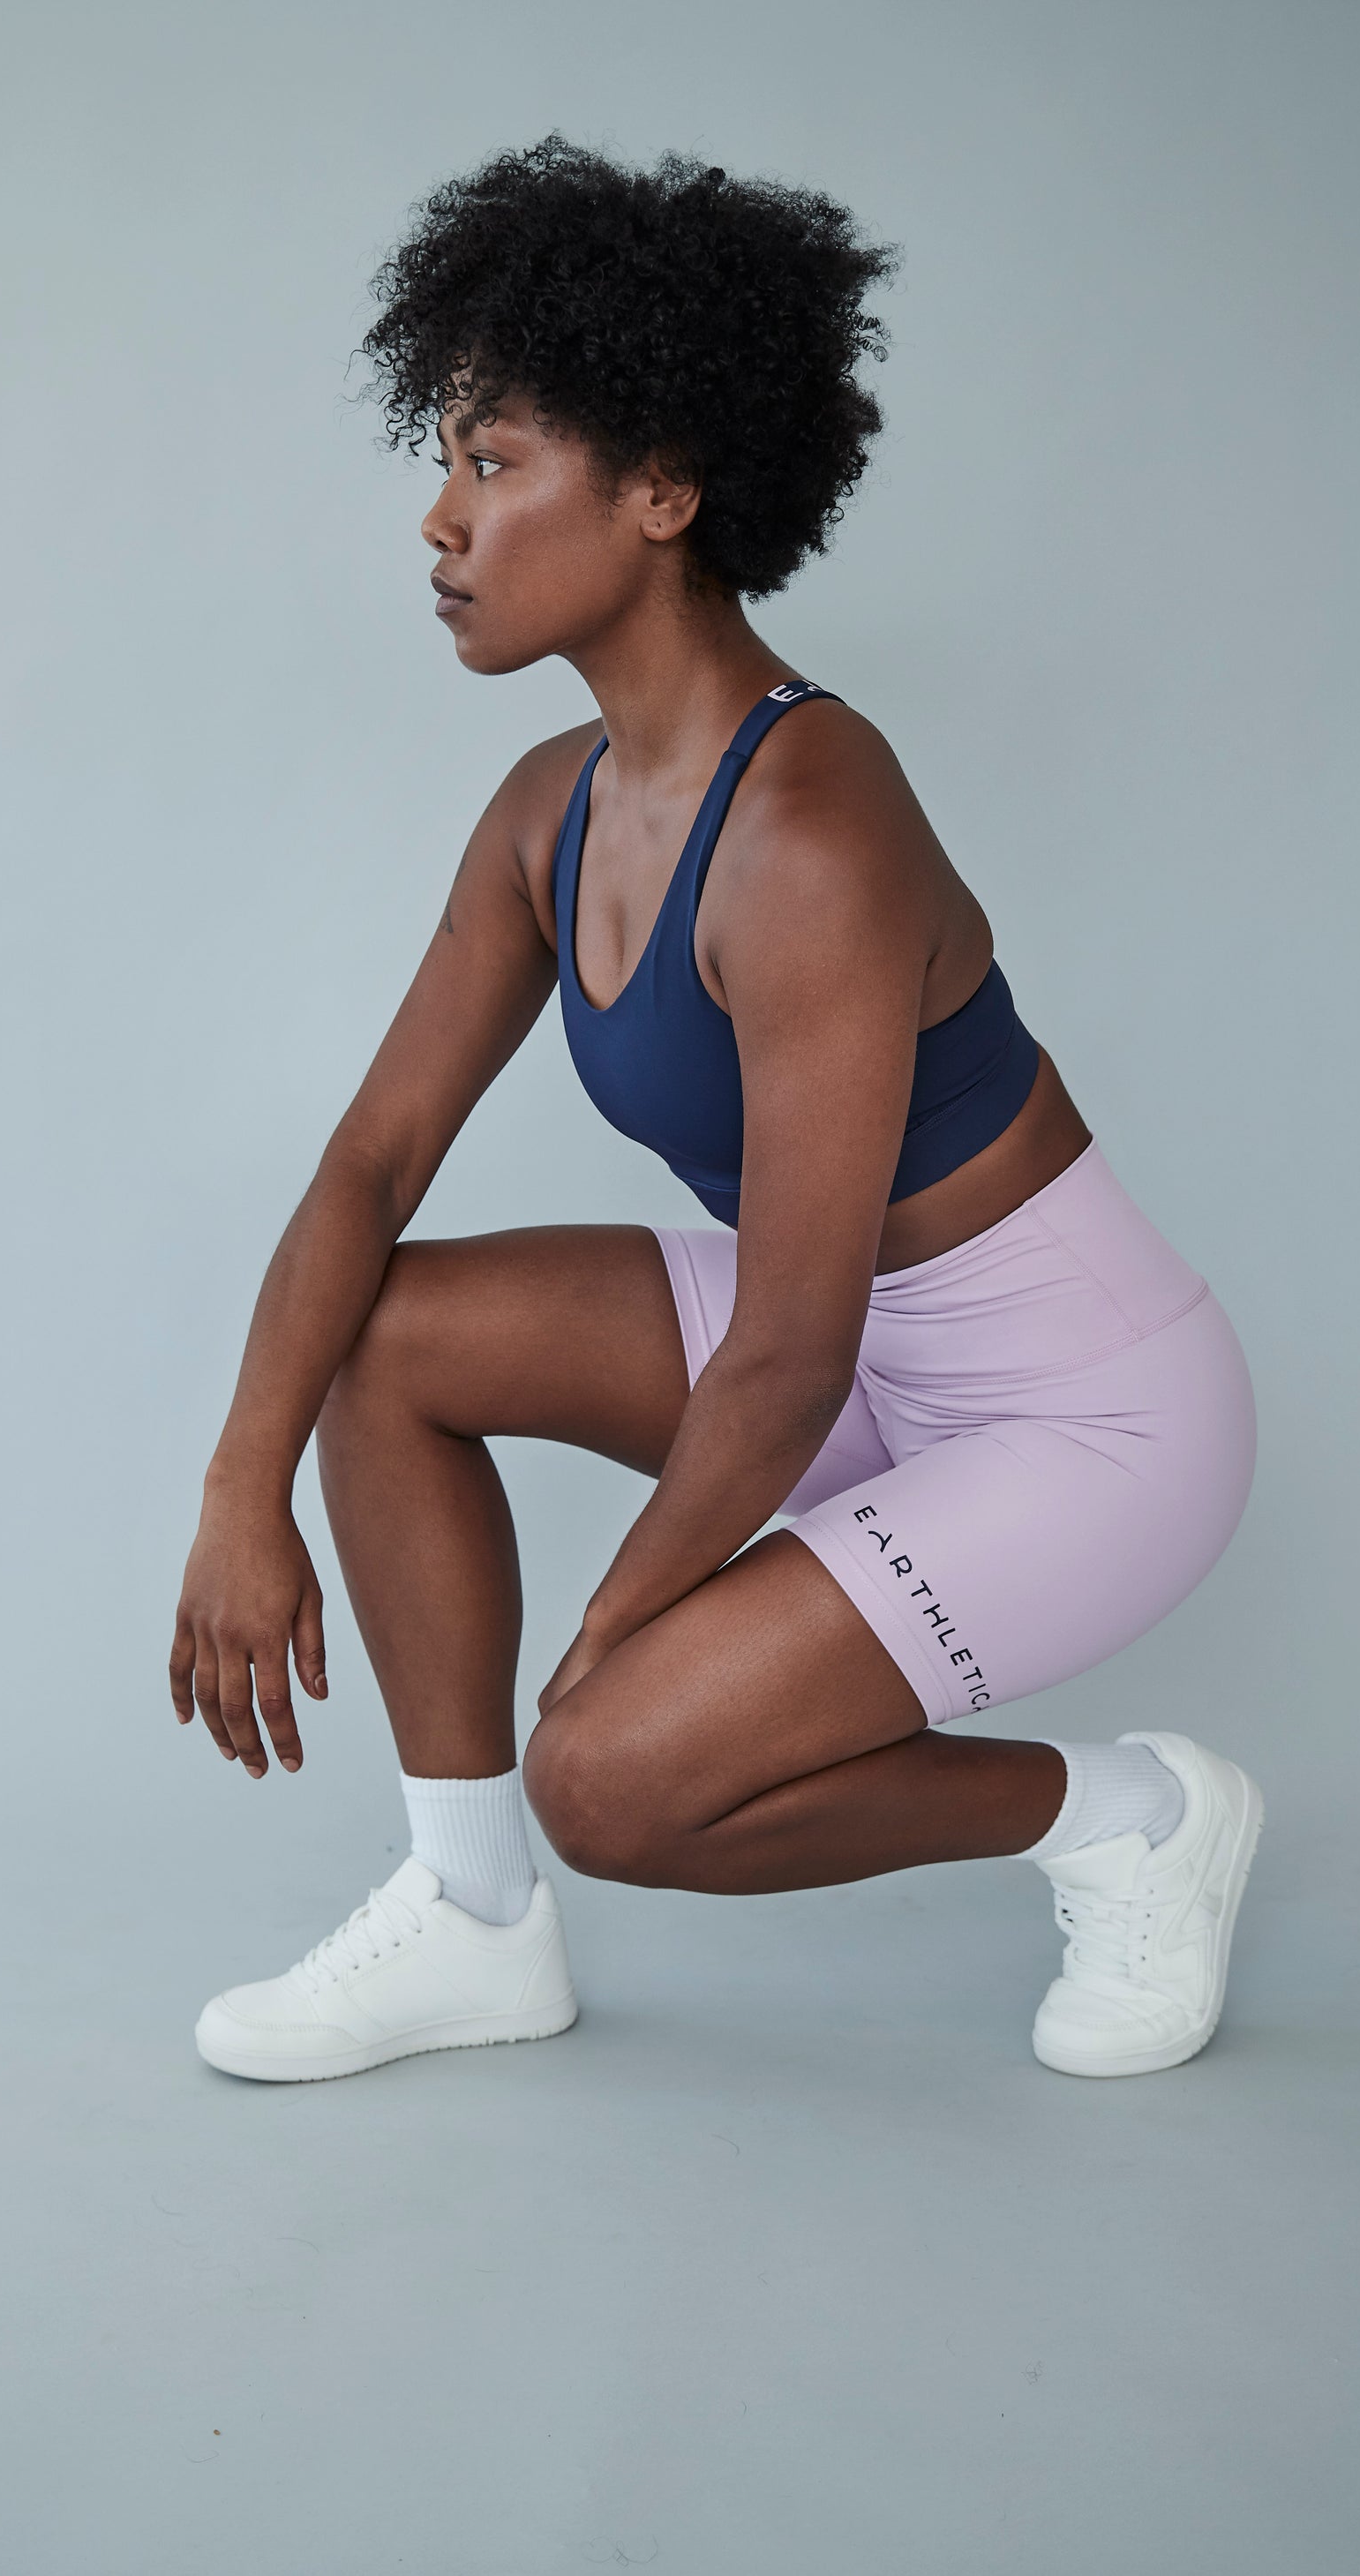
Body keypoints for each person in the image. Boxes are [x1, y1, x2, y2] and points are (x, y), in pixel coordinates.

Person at [170, 139, 1261, 2087]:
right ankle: (472, 1913)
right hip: (833, 1352)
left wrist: (614, 1632)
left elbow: (787, 1344)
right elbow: (366, 1168)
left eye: (493, 465)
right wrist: (238, 1486)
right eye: (445, 459)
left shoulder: (814, 825)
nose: (438, 521)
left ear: (664, 491)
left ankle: (1132, 1815)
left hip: (1072, 1410)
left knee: (621, 1771)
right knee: (382, 1330)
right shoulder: (543, 812)